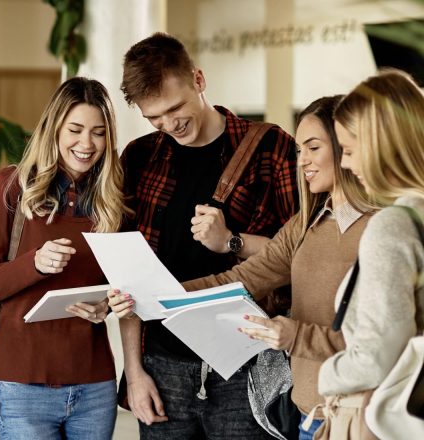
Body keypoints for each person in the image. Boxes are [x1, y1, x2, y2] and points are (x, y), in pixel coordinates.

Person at [113, 95, 376, 439]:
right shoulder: (304, 225)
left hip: (363, 414)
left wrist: (296, 336)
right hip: (308, 414)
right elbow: (241, 279)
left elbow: (383, 341)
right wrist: (151, 298)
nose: (302, 161)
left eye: (313, 148)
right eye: (299, 150)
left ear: (347, 146)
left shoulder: (381, 228)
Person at [111, 33, 299, 439]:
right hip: (162, 365)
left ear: (198, 79)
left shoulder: (271, 148)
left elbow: (301, 258)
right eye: (154, 117)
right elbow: (127, 277)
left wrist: (232, 241)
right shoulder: (140, 157)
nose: (169, 124)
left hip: (246, 364)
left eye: (175, 108)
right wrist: (135, 372)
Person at [0, 77, 130, 439]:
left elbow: (122, 282)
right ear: (53, 128)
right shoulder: (11, 187)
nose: (86, 144)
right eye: (75, 130)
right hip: (23, 383)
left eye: (99, 133)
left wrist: (106, 304)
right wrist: (34, 264)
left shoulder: (113, 199)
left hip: (94, 382)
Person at [318, 70, 424, 428]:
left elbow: (374, 359)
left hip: (379, 417)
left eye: (349, 150)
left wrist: (326, 375)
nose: (345, 164)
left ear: (382, 146)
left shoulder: (393, 225)